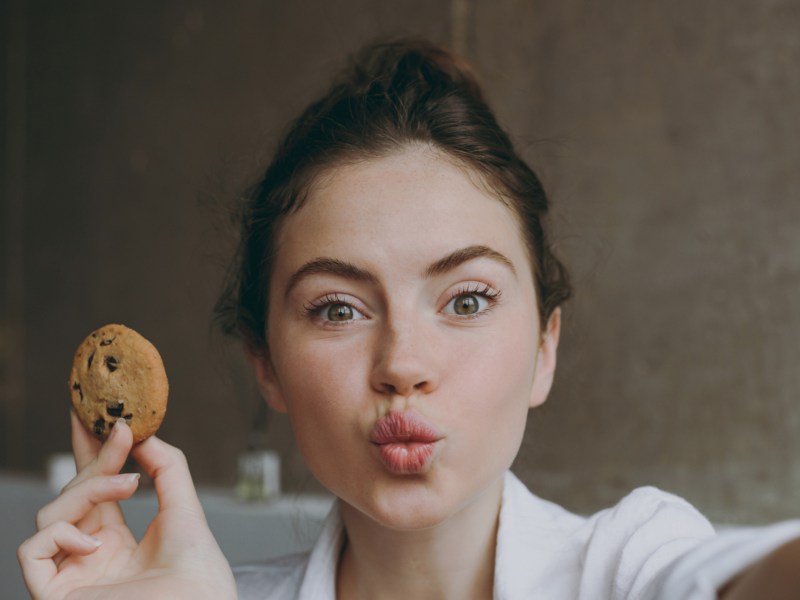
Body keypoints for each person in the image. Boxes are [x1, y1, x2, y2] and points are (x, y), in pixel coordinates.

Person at [17, 38, 800, 600]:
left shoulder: (630, 567)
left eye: (467, 300)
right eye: (337, 308)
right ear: (266, 364)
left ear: (544, 349)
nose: (402, 362)